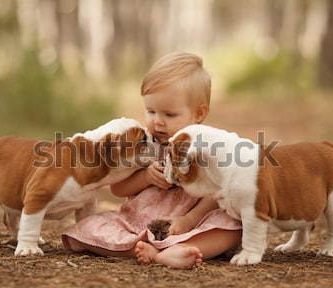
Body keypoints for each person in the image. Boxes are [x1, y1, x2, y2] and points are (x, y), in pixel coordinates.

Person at [62, 52, 242, 269]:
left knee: (233, 223)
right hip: (138, 224)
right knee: (88, 226)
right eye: (151, 111)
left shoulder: (204, 147)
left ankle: (178, 249)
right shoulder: (143, 146)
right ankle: (155, 252)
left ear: (198, 113)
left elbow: (217, 193)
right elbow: (117, 189)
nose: (158, 122)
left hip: (191, 224)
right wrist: (146, 177)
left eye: (169, 115)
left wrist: (190, 220)